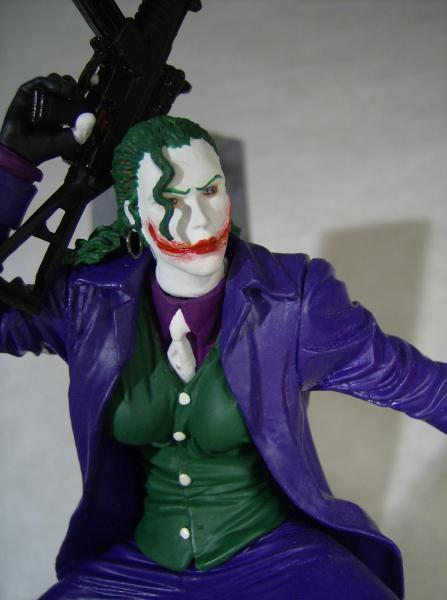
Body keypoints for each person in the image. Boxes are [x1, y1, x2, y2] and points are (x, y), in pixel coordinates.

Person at [1, 75, 446, 600]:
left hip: (275, 555)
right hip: (138, 567)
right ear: (134, 215)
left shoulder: (293, 300)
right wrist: (11, 167)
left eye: (210, 190)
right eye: (171, 199)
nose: (200, 220)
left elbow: (420, 385)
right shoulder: (86, 302)